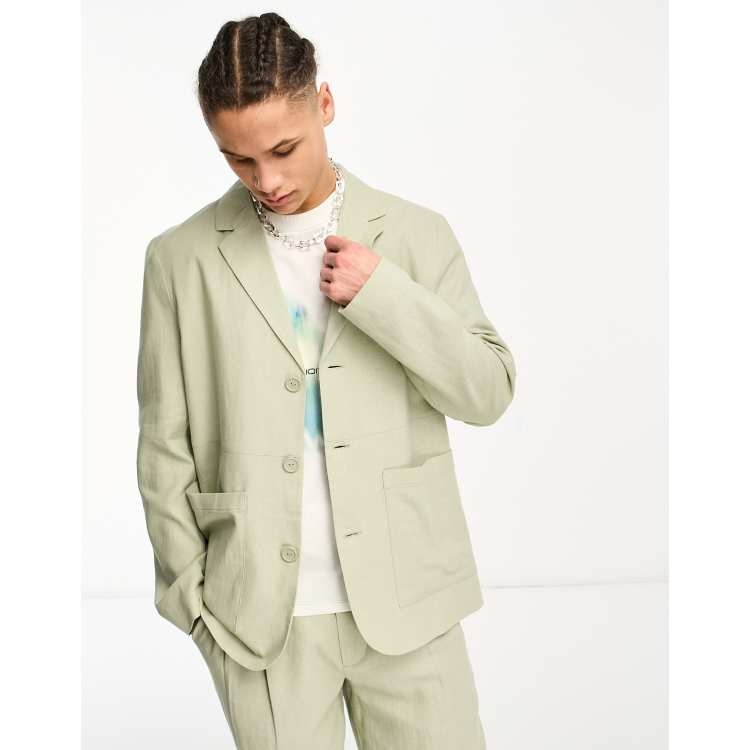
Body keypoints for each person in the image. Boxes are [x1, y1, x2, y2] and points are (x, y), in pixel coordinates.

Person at [136, 11, 516, 749]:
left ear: (326, 104)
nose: (268, 180)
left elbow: (488, 392)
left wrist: (387, 296)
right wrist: (195, 605)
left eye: (284, 149)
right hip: (259, 625)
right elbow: (163, 446)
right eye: (239, 160)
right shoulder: (180, 260)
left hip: (410, 603)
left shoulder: (416, 235)